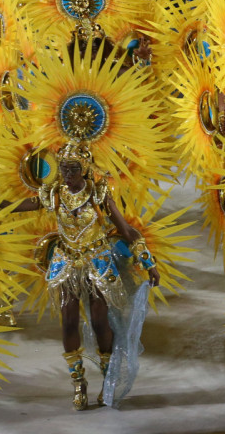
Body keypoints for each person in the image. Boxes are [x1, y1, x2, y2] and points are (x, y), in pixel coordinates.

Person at [9, 141, 160, 410]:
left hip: (96, 261)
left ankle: (107, 378)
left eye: (73, 168)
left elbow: (127, 231)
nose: (67, 173)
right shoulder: (55, 193)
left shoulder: (98, 193)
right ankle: (78, 383)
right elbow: (25, 205)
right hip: (66, 261)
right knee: (68, 321)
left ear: (84, 168)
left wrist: (148, 262)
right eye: (63, 167)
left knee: (100, 321)